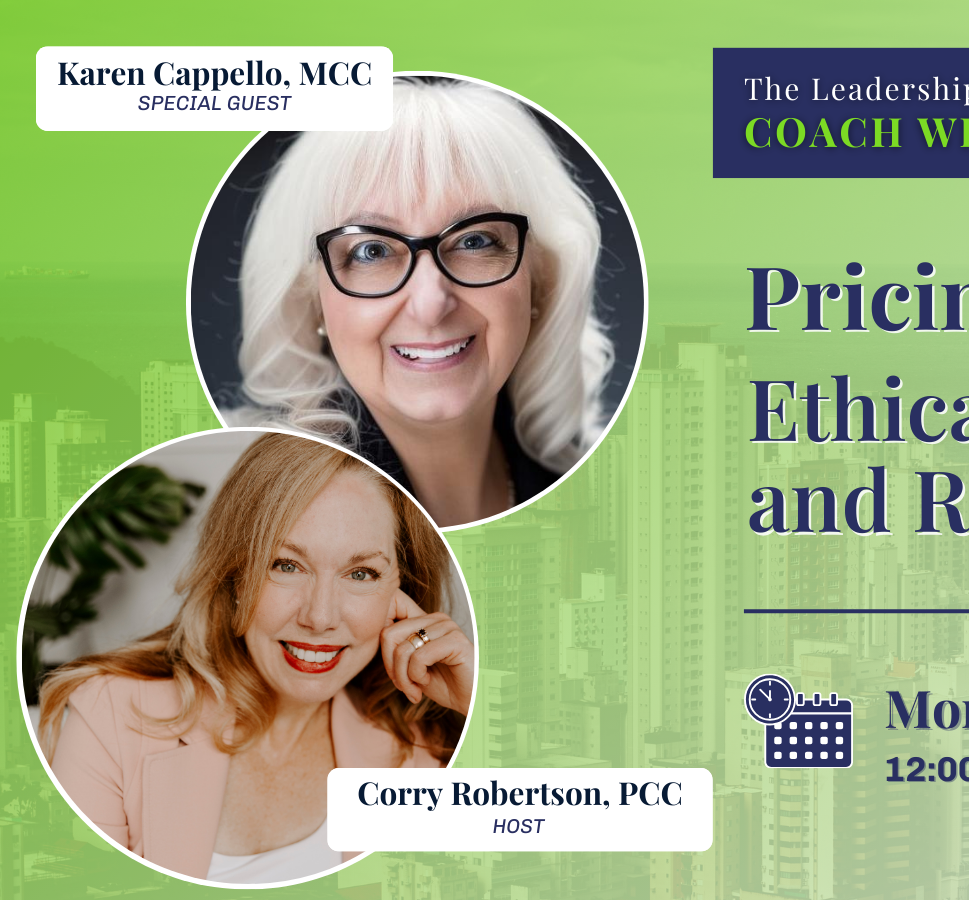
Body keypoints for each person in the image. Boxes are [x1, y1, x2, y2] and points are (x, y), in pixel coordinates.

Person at [38, 433, 473, 884]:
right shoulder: (110, 716)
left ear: (400, 593)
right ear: (236, 575)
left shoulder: (419, 755)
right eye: (286, 565)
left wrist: (475, 697)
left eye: (361, 573)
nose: (319, 617)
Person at [229, 77, 615, 527]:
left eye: (474, 240)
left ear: (541, 279)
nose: (430, 304)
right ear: (312, 299)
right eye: (371, 251)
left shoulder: (597, 498)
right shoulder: (271, 513)